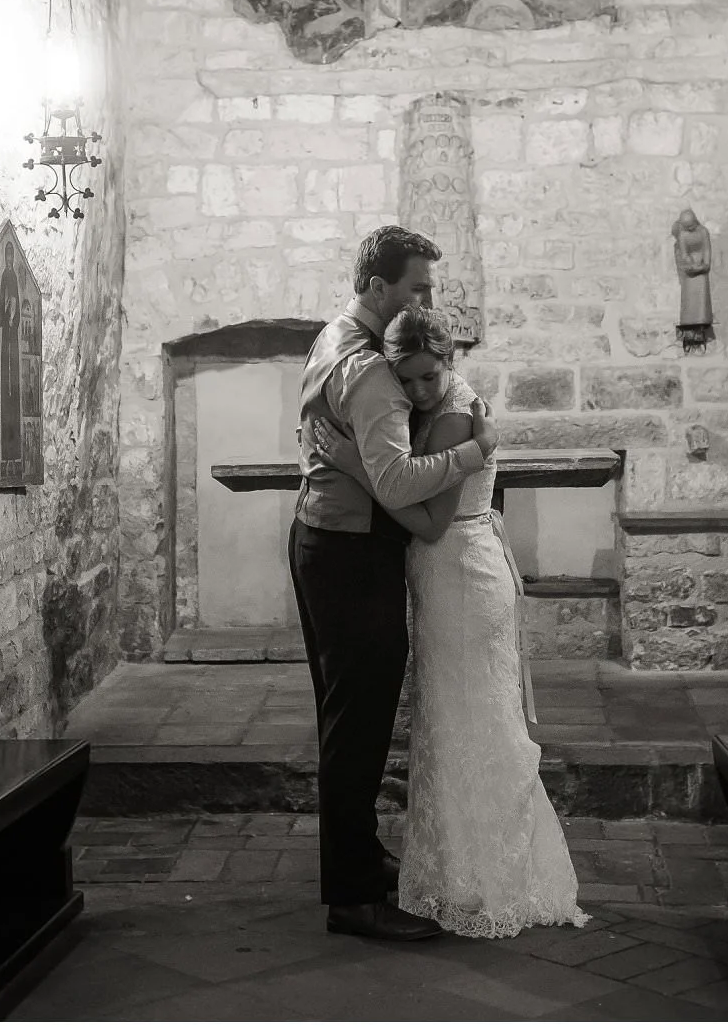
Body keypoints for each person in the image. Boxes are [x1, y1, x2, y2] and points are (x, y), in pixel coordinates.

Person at [316, 305, 588, 939]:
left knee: (466, 727)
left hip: (460, 576)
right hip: (455, 576)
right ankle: (468, 868)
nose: (417, 390)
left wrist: (357, 466)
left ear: (450, 362)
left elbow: (430, 522)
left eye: (427, 377)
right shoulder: (446, 407)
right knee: (459, 725)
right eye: (405, 379)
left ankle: (481, 875)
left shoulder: (454, 419)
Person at [292, 226, 498, 942]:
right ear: (379, 287)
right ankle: (353, 898)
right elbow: (400, 481)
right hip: (352, 552)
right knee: (359, 728)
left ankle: (359, 855)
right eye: (418, 288)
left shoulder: (332, 336)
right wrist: (474, 451)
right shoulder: (373, 370)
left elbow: (323, 436)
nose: (428, 301)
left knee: (345, 720)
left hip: (322, 539)